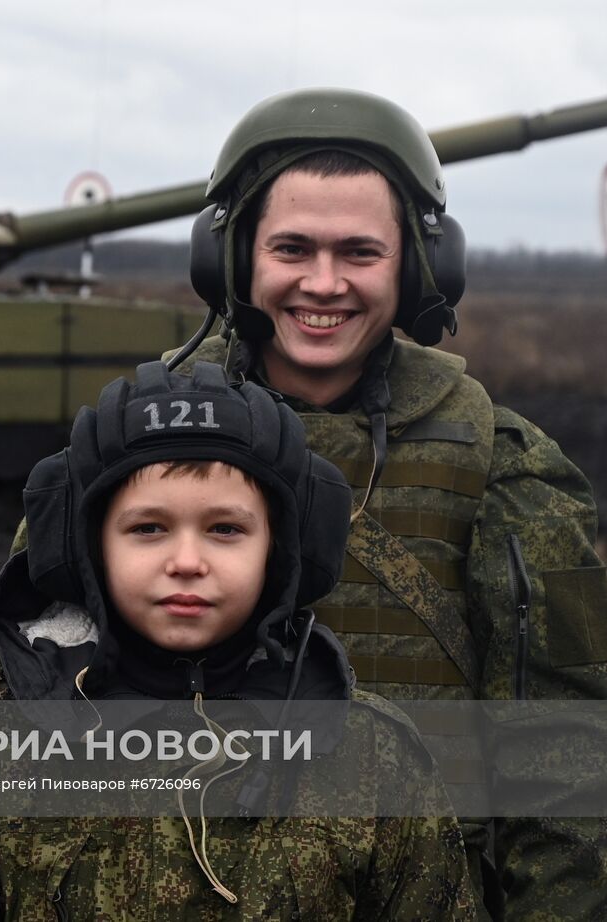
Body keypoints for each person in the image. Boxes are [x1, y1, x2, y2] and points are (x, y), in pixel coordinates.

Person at [178, 87, 607, 918]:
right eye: (292, 249)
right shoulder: (134, 451)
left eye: (359, 253)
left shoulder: (510, 469)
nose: (324, 283)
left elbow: (572, 750)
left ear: (418, 266)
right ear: (231, 260)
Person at [0, 362, 476, 919]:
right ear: (86, 546)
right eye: (147, 528)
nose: (186, 561)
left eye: (226, 529)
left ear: (283, 550)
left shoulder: (373, 757)